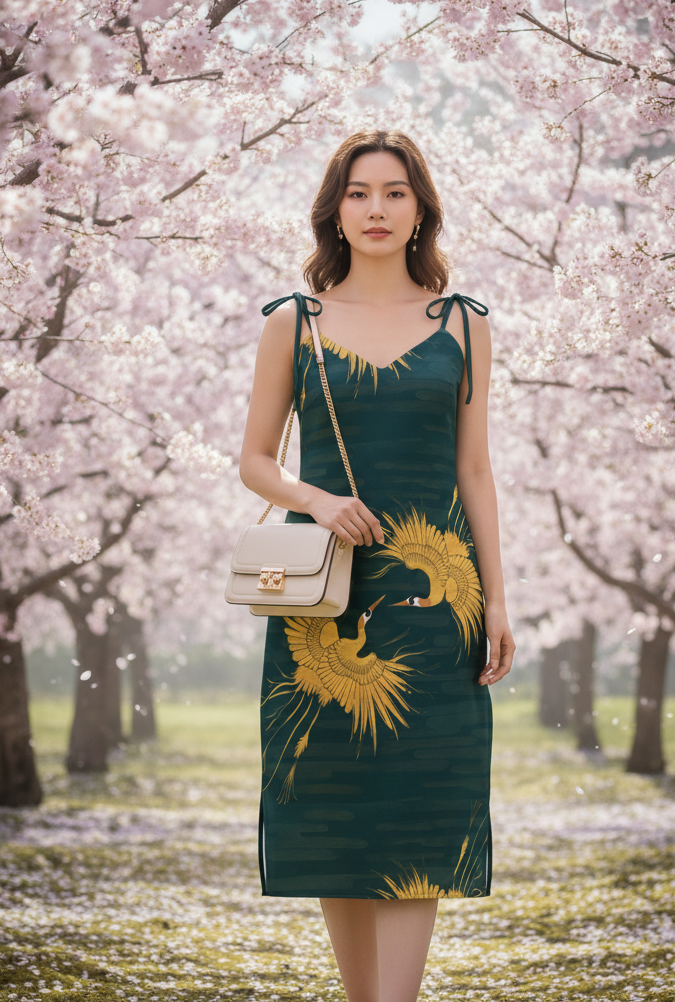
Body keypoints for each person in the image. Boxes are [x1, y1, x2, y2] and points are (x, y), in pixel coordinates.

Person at [239, 129, 515, 1002]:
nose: (377, 210)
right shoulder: (295, 321)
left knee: (421, 809)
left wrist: (498, 602)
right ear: (336, 209)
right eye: (360, 193)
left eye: (395, 193)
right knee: (338, 815)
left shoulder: (465, 325)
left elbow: (475, 470)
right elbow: (254, 460)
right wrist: (317, 500)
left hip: (442, 609)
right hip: (322, 597)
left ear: (420, 208)